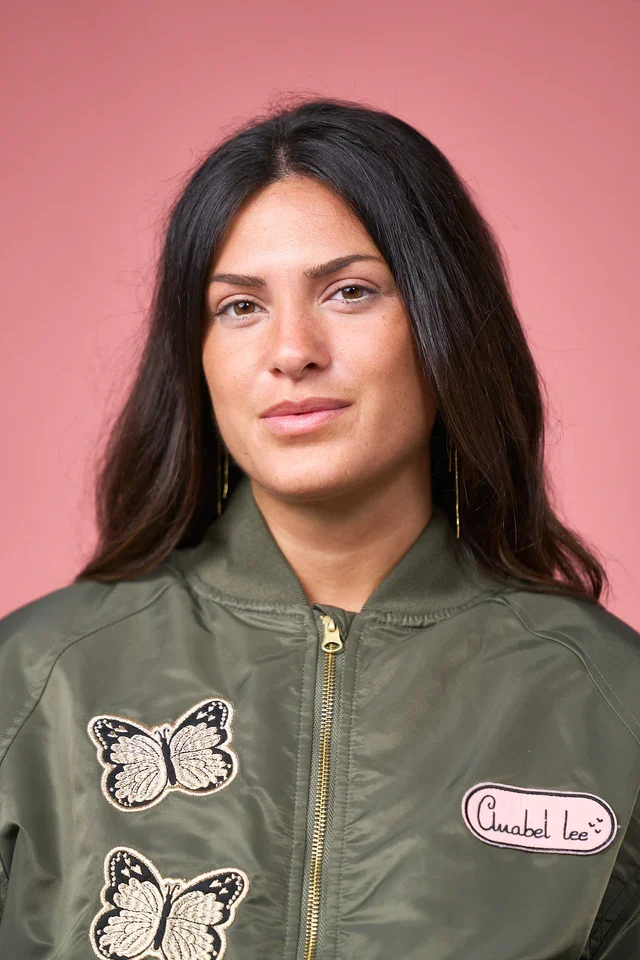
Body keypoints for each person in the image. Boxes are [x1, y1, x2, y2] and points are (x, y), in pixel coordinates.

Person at [0, 95, 638, 960]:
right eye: (239, 306)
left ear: (444, 324)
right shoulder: (35, 681)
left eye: (350, 292)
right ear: (195, 356)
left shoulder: (609, 700)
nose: (292, 350)